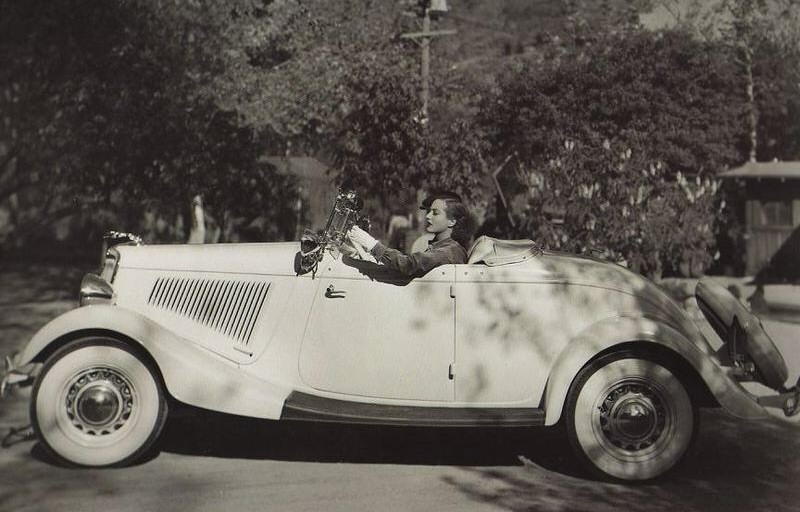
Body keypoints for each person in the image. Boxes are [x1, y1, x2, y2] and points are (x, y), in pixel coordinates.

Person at [348, 192, 474, 277]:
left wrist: (373, 245)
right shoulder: (445, 248)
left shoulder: (449, 252)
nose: (428, 216)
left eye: (435, 213)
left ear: (452, 221)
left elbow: (408, 264)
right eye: (429, 212)